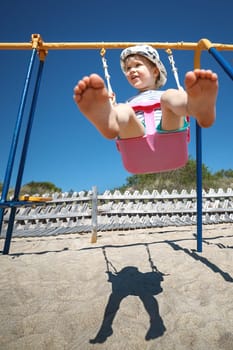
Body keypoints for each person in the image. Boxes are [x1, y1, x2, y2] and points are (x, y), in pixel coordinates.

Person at [73, 45, 218, 140]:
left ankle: (194, 106)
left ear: (155, 71)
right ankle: (110, 121)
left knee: (170, 95)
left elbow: (169, 99)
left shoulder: (164, 95)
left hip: (169, 132)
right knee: (122, 109)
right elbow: (125, 113)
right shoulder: (130, 102)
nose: (132, 70)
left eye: (137, 65)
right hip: (136, 140)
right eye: (128, 68)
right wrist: (111, 107)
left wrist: (182, 97)